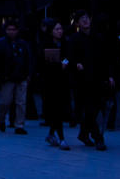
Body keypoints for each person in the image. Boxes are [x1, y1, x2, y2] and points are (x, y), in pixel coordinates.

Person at [67, 10, 114, 151]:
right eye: (81, 19)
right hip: (83, 80)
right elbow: (70, 58)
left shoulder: (98, 37)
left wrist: (109, 75)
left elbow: (106, 58)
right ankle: (98, 137)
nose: (85, 20)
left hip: (98, 78)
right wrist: (76, 64)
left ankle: (83, 133)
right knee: (89, 108)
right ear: (77, 23)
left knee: (96, 108)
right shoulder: (74, 39)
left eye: (87, 18)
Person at [0, 19, 32, 136]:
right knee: (5, 101)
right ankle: (1, 117)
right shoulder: (0, 43)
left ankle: (19, 125)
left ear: (17, 31)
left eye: (13, 30)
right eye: (9, 30)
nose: (11, 32)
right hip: (7, 76)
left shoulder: (22, 44)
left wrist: (28, 74)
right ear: (6, 31)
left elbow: (27, 60)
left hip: (21, 76)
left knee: (21, 102)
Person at [39, 21, 71, 150]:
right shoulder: (45, 44)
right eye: (57, 29)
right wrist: (59, 65)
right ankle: (62, 138)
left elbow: (69, 56)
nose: (60, 31)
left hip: (62, 80)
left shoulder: (64, 43)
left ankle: (51, 134)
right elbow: (43, 64)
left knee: (59, 109)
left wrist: (67, 63)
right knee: (56, 109)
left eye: (61, 29)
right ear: (51, 31)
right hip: (50, 82)